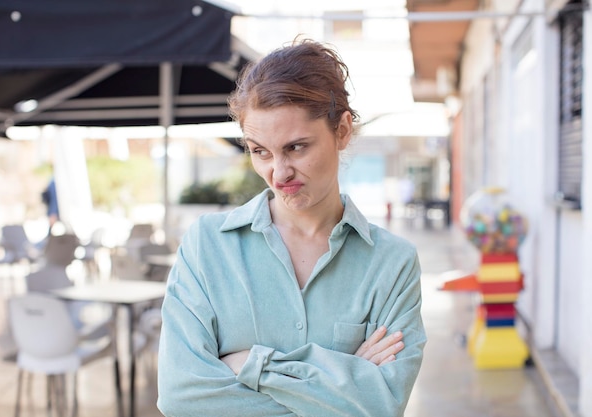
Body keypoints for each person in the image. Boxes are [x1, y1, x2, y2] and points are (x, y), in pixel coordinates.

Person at [157, 39, 426, 417]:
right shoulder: (206, 245)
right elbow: (181, 397)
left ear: (343, 130)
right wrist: (346, 380)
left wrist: (252, 364)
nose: (278, 173)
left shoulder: (392, 263)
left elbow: (382, 405)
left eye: (296, 147)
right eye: (259, 151)